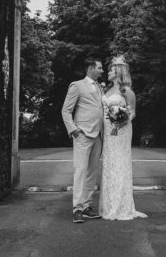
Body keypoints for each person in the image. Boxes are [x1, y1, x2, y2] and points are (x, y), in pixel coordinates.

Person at [99, 55, 148, 220]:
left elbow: (132, 112)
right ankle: (110, 205)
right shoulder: (106, 90)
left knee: (120, 163)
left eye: (111, 70)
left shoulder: (127, 91)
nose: (108, 72)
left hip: (121, 131)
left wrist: (120, 121)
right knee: (109, 163)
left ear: (118, 72)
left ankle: (121, 206)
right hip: (108, 131)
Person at [61, 57, 104, 223]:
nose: (102, 71)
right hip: (83, 134)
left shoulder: (100, 87)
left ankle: (87, 206)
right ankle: (77, 208)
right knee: (80, 171)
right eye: (99, 68)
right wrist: (74, 130)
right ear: (91, 68)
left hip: (98, 135)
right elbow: (66, 111)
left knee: (92, 172)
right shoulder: (77, 85)